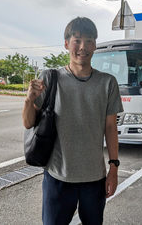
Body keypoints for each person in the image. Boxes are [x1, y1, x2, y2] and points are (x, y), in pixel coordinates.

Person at [22, 17, 123, 225]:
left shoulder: (107, 83)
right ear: (67, 44)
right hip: (57, 176)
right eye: (77, 40)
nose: (83, 47)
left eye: (89, 40)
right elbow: (28, 122)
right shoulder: (50, 79)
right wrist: (28, 100)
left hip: (94, 178)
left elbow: (111, 128)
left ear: (95, 45)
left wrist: (113, 169)